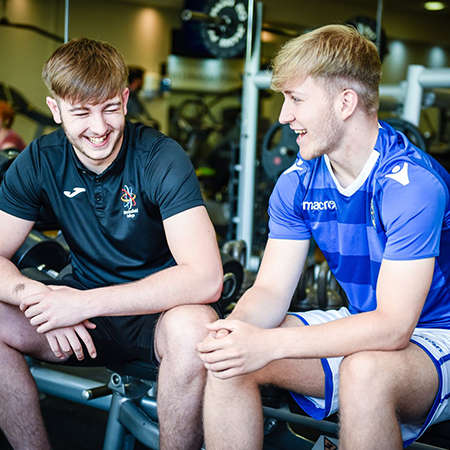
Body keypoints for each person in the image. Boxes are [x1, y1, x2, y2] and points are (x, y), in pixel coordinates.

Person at [198, 24, 450, 450]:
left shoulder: (411, 184)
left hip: (435, 330)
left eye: (296, 99)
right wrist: (232, 334)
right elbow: (272, 290)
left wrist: (270, 343)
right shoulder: (296, 184)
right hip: (363, 320)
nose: (283, 116)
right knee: (231, 359)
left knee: (366, 372)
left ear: (345, 102)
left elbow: (392, 327)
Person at [0, 38, 223, 450]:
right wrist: (38, 296)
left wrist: (83, 304)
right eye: (81, 113)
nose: (99, 128)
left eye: (109, 108)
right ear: (55, 110)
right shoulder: (39, 160)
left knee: (197, 327)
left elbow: (207, 278)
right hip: (80, 316)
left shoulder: (160, 157)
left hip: (157, 315)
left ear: (125, 98)